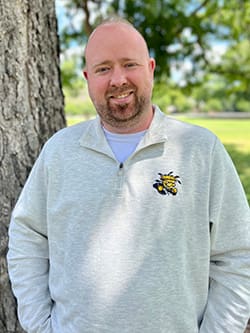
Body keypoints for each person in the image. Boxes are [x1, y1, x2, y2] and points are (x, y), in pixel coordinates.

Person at [7, 16, 250, 333]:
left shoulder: (201, 150)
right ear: (87, 78)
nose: (117, 79)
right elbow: (28, 239)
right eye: (103, 68)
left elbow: (237, 256)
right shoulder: (59, 152)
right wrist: (40, 325)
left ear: (150, 68)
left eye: (129, 64)